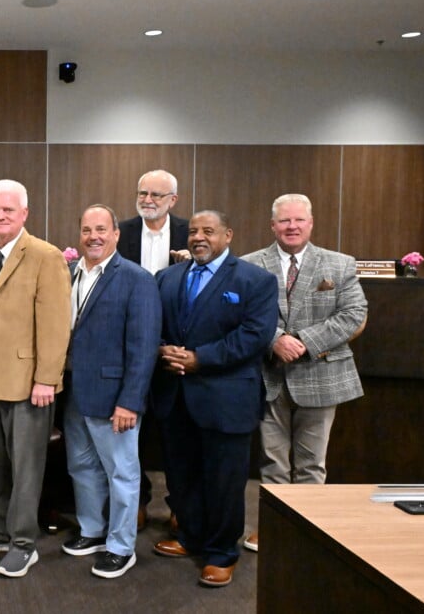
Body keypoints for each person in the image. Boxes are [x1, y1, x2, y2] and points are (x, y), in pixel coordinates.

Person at [150, 210, 277, 587]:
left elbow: (255, 335)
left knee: (224, 480)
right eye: (192, 231)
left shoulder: (255, 279)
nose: (198, 237)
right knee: (182, 475)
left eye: (208, 231)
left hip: (226, 399)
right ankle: (189, 536)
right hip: (175, 396)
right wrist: (163, 351)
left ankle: (222, 552)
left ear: (228, 235)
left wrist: (199, 358)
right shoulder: (167, 277)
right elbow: (150, 324)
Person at [0, 179, 71, 578]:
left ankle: (23, 543)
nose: (1, 216)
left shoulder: (45, 255)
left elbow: (57, 325)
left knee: (25, 467)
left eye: (9, 210)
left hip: (28, 384)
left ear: (24, 214)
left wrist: (47, 379)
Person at [240, 194, 367, 552]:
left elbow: (354, 314)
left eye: (298, 220)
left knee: (313, 463)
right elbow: (241, 316)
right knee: (272, 461)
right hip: (268, 375)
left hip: (321, 373)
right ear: (272, 225)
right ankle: (274, 528)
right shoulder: (249, 265)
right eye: (284, 221)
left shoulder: (339, 264)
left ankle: (308, 529)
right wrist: (275, 340)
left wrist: (303, 341)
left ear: (311, 223)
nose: (291, 226)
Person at [63, 205, 161, 579]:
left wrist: (130, 401)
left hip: (115, 398)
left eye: (101, 229)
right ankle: (92, 531)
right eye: (87, 230)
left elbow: (144, 345)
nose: (94, 237)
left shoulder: (136, 279)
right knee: (82, 466)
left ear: (117, 234)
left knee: (121, 472)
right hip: (74, 391)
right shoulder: (69, 272)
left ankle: (121, 546)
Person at [116, 168, 190, 531]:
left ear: (172, 201)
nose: (147, 200)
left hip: (177, 348)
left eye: (156, 195)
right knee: (134, 435)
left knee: (176, 434)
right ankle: (138, 503)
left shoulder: (193, 233)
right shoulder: (122, 232)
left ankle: (180, 505)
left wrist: (193, 263)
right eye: (142, 192)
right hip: (129, 346)